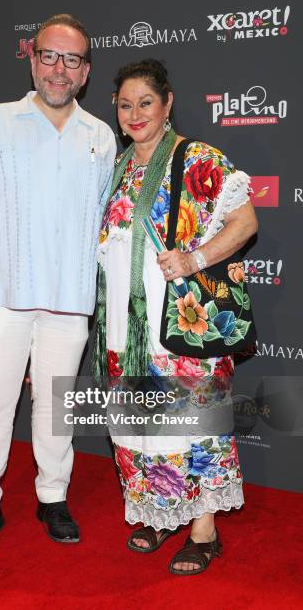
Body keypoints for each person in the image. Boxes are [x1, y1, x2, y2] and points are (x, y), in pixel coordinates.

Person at [0, 13, 116, 558]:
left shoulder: (102, 137)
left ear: (85, 71)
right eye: (50, 56)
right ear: (31, 57)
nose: (59, 70)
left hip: (69, 300)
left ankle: (52, 495)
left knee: (56, 407)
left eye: (72, 60)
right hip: (0, 294)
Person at [94, 59, 258, 575]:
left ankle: (204, 531)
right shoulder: (117, 168)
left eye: (146, 102)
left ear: (168, 104)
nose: (135, 113)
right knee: (142, 427)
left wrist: (194, 259)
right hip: (125, 325)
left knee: (195, 426)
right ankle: (161, 511)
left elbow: (244, 221)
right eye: (125, 104)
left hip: (179, 322)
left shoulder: (197, 158)